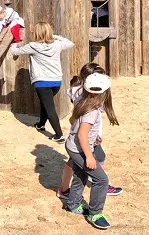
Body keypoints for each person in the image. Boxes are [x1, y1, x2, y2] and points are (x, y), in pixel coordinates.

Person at [57, 63, 123, 200]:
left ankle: (64, 189)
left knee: (89, 159)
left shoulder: (79, 92)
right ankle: (97, 184)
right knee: (87, 160)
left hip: (84, 134)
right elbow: (86, 125)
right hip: (85, 137)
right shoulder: (87, 97)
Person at [64, 72, 118, 230]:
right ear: (104, 93)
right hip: (80, 150)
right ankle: (95, 213)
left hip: (74, 146)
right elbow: (82, 134)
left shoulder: (84, 102)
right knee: (101, 180)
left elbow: (77, 125)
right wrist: (89, 156)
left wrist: (93, 139)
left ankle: (73, 204)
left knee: (81, 173)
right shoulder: (92, 111)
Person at [10, 22, 73, 142]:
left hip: (42, 82)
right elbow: (70, 43)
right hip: (56, 81)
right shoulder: (57, 44)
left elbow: (15, 52)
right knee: (46, 103)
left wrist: (14, 43)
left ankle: (59, 135)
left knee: (49, 108)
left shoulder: (33, 46)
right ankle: (41, 124)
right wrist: (54, 36)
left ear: (37, 33)